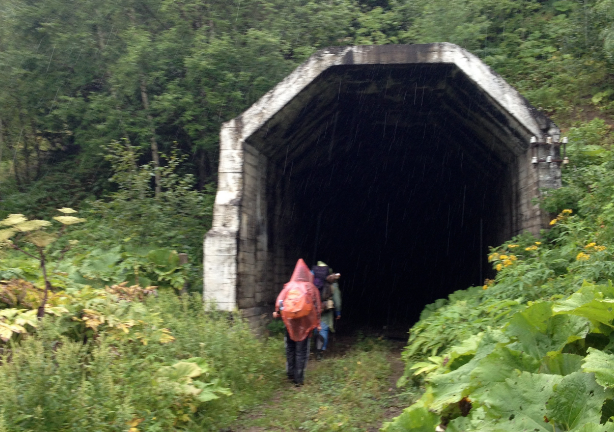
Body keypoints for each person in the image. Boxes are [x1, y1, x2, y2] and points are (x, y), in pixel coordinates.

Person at [273, 258, 322, 386]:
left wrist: (278, 312)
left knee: (290, 348)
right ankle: (298, 379)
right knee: (302, 351)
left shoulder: (288, 286)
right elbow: (317, 308)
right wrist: (318, 323)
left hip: (289, 324)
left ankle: (290, 373)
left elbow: (280, 302)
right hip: (305, 325)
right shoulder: (311, 288)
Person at [311, 261, 342, 361]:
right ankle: (320, 351)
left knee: (315, 327)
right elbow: (337, 299)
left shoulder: (312, 278)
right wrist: (338, 312)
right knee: (323, 328)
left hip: (313, 308)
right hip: (326, 309)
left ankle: (314, 346)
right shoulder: (332, 281)